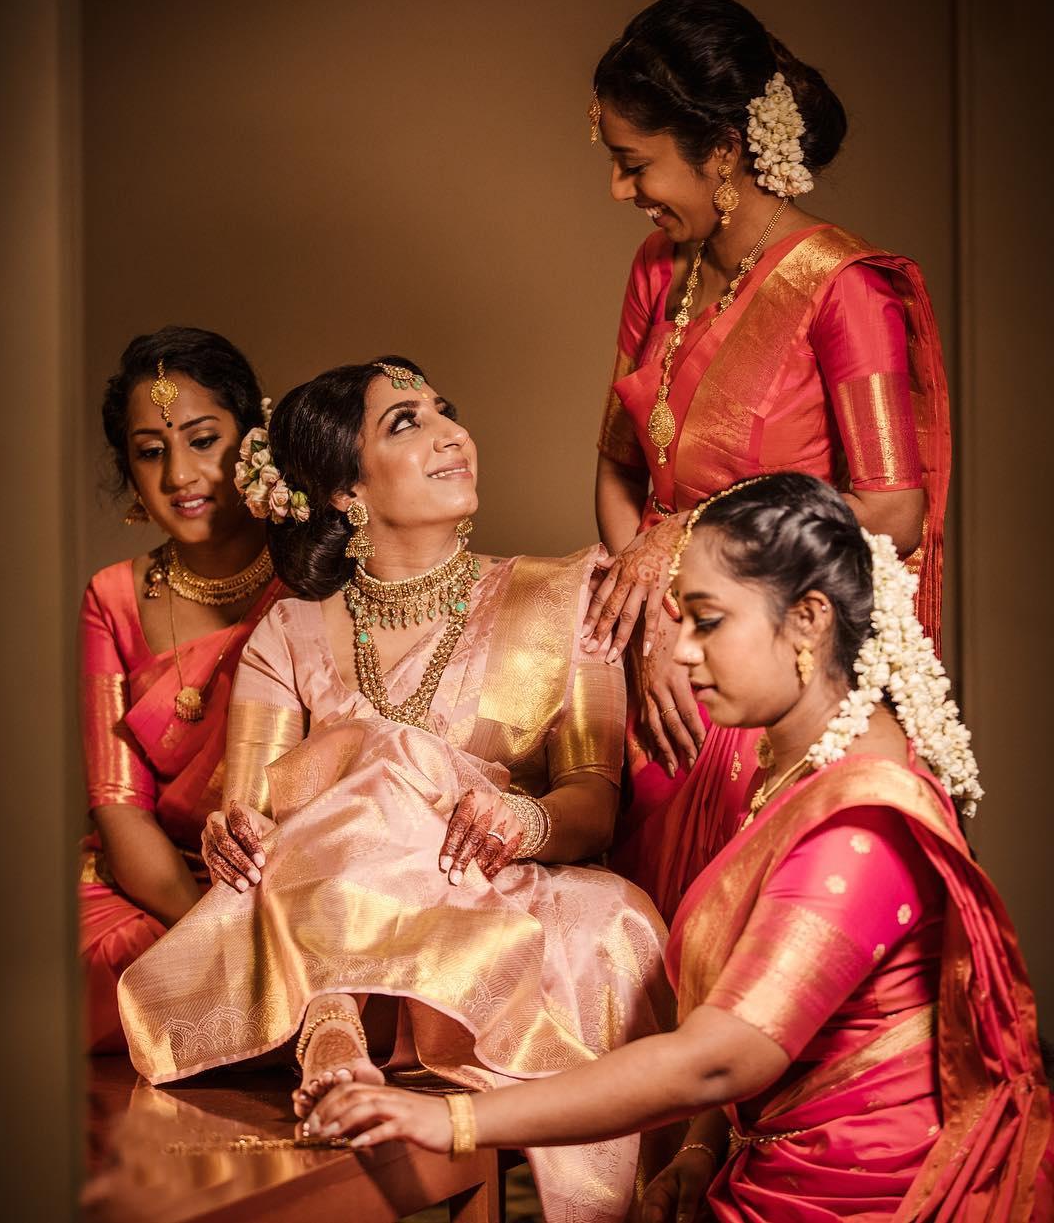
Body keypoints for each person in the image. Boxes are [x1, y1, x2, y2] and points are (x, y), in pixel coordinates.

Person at [307, 473, 1051, 1221]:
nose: (681, 653)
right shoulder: (794, 770)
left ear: (809, 620)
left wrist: (452, 1121)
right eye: (679, 620)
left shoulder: (860, 825)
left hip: (863, 1193)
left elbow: (719, 1055)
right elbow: (760, 1008)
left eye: (707, 620)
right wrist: (698, 1153)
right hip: (767, 1163)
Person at [117, 357, 675, 1222]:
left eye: (446, 410)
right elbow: (259, 815)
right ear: (346, 489)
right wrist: (237, 831)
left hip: (500, 916)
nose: (452, 432)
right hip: (332, 954)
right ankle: (331, 1025)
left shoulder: (565, 593)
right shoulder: (290, 630)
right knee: (371, 761)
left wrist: (520, 818)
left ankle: (345, 1037)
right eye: (406, 422)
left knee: (613, 920)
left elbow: (592, 802)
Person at [581, 0, 951, 914]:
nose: (621, 192)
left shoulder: (843, 293)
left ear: (721, 151)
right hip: (655, 658)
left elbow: (893, 512)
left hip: (772, 665)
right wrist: (653, 614)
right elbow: (621, 468)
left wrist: (696, 560)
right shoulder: (657, 271)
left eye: (636, 165)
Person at [80, 327, 285, 1053]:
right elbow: (118, 805)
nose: (179, 475)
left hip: (288, 871)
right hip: (162, 886)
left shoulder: (314, 572)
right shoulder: (112, 596)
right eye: (150, 451)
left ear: (254, 441)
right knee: (105, 968)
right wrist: (207, 923)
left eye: (203, 440)